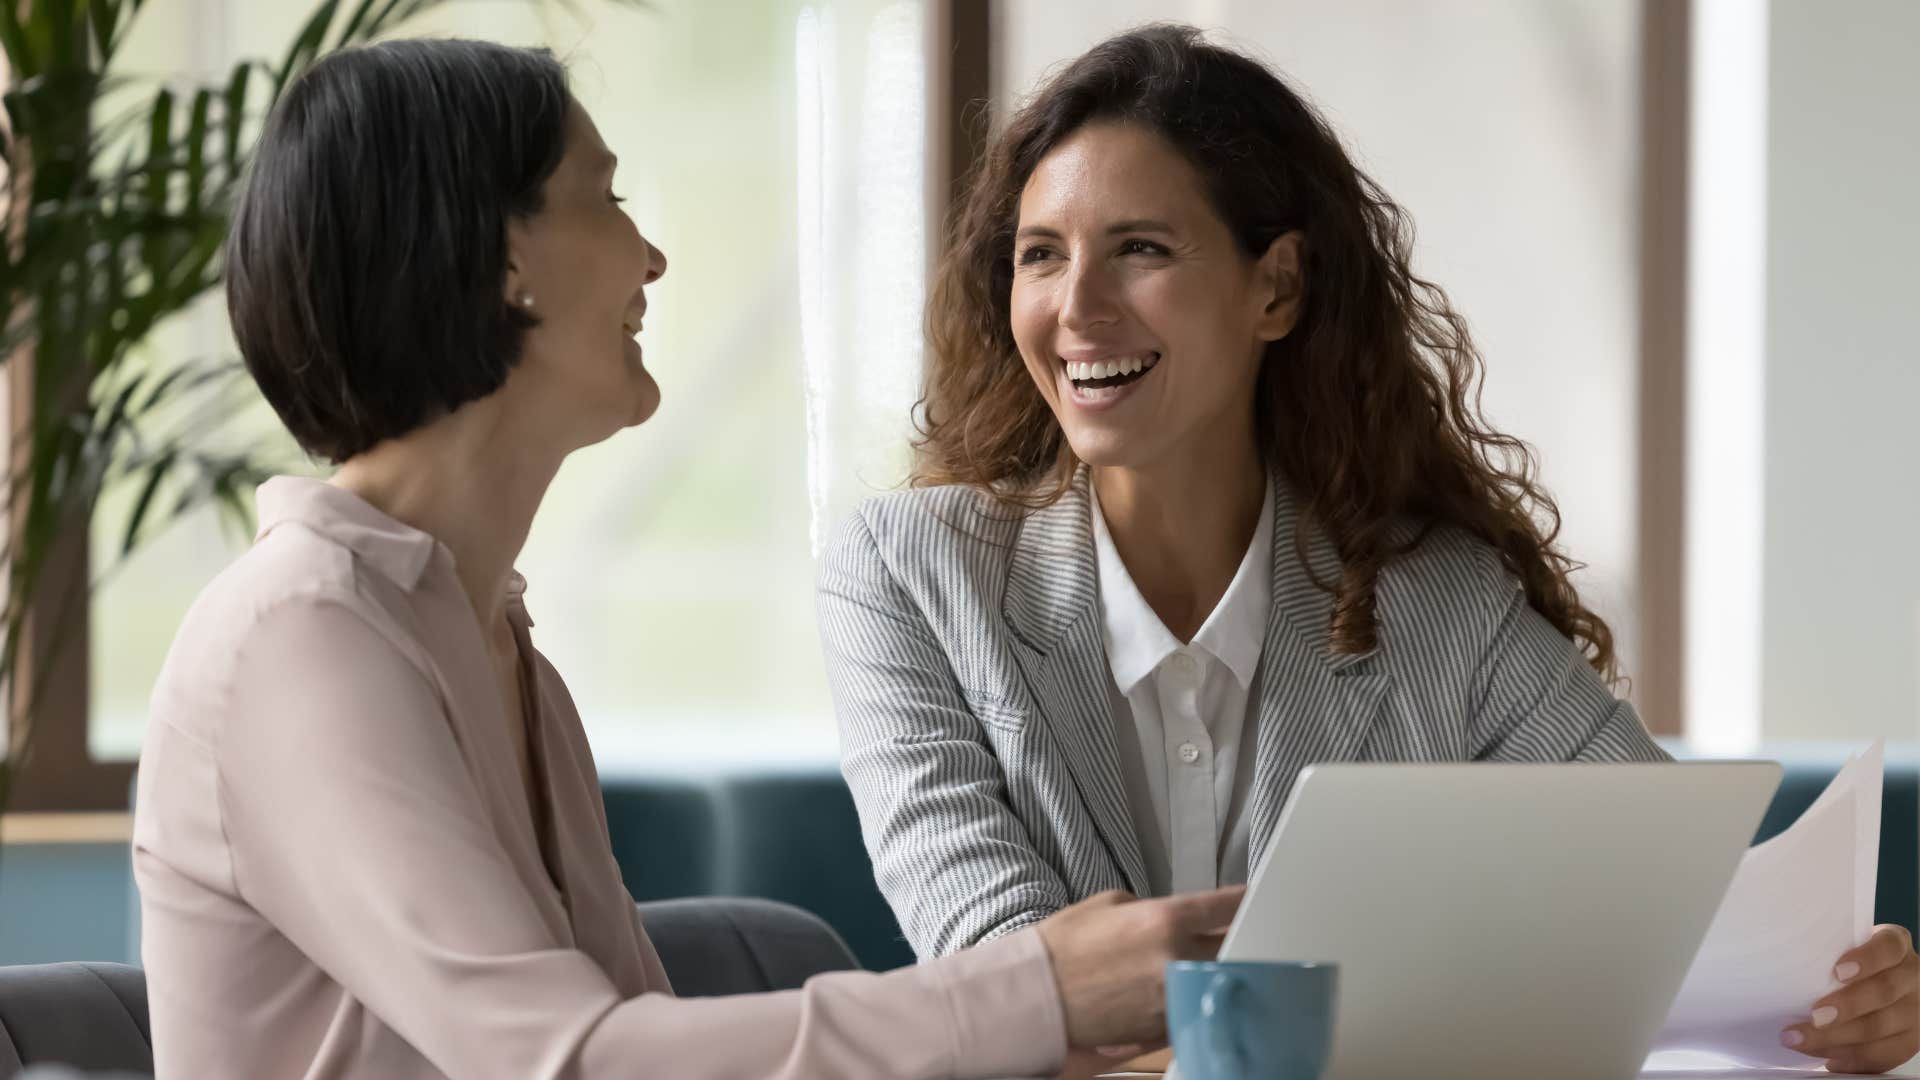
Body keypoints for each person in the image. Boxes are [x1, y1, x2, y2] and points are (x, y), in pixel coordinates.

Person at [815, 24, 1917, 1074]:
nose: (1075, 308)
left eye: (1140, 249)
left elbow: (1671, 908)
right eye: (1039, 256)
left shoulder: (1439, 602)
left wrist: (1844, 999)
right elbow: (1007, 982)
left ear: (1278, 288)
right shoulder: (908, 574)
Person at [131, 38, 1239, 1080]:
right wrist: (1036, 992)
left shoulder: (497, 648)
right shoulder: (301, 635)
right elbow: (572, 1060)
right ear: (507, 259)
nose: (650, 254)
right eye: (605, 198)